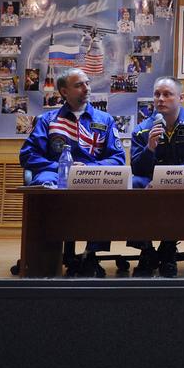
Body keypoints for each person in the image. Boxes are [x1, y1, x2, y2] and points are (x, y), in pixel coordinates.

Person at [18, 68, 126, 277]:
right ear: (64, 92)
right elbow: (28, 155)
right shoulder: (48, 120)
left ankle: (91, 255)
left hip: (91, 178)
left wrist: (89, 169)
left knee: (107, 192)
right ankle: (43, 254)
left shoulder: (105, 120)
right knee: (43, 190)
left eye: (87, 83)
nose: (86, 88)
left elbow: (118, 158)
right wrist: (62, 168)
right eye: (78, 85)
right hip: (56, 175)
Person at [128, 76, 184, 278]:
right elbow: (137, 168)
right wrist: (150, 148)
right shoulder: (142, 129)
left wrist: (168, 180)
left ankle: (168, 249)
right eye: (157, 94)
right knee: (133, 185)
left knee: (178, 191)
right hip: (149, 183)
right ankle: (146, 250)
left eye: (167, 94)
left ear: (180, 97)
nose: (160, 99)